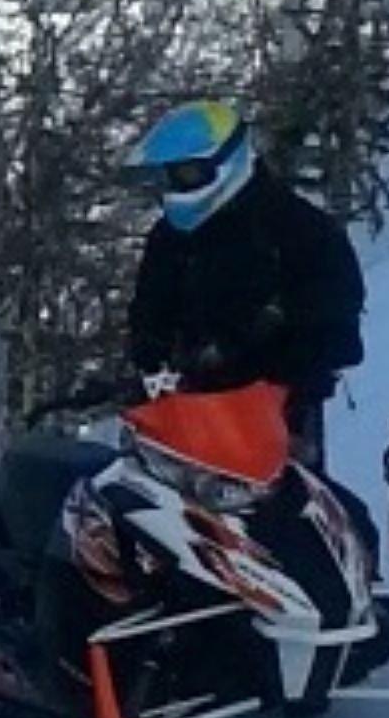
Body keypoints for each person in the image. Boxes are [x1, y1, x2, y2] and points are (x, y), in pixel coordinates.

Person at [121, 99, 366, 470]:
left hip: (276, 417)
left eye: (185, 174)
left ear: (225, 163)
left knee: (289, 518)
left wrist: (276, 357)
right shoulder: (170, 237)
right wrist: (149, 358)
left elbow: (339, 310)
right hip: (186, 413)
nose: (174, 186)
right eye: (167, 176)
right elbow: (149, 311)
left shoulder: (298, 228)